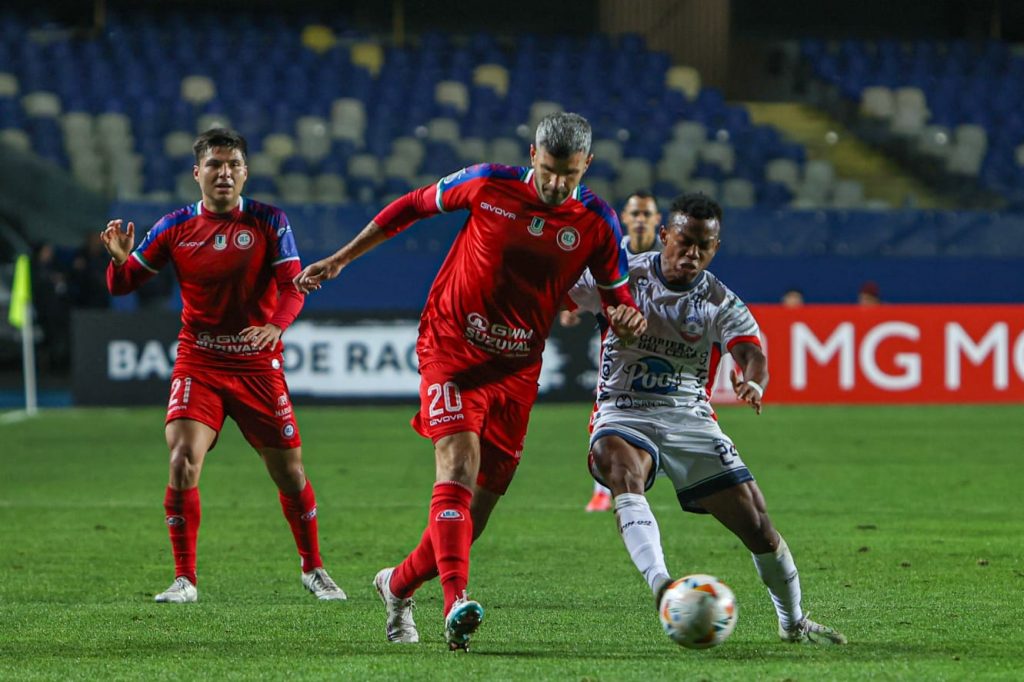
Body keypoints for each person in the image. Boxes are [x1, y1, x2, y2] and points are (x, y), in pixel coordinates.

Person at [295, 112, 647, 651]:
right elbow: (411, 206)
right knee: (458, 463)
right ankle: (457, 603)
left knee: (473, 514)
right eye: (550, 170)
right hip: (451, 346)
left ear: (587, 166)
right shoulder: (489, 184)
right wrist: (342, 258)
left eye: (569, 175)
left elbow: (617, 293)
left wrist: (624, 314)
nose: (557, 185)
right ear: (533, 155)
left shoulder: (598, 220)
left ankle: (397, 585)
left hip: (517, 368)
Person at [566, 193, 847, 645]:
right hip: (624, 409)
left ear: (715, 248)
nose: (692, 254)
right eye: (684, 241)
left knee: (757, 524)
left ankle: (793, 622)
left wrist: (752, 381)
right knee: (621, 469)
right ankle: (663, 587)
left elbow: (751, 351)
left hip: (688, 417)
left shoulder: (718, 299)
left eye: (705, 246)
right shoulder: (624, 276)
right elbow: (553, 289)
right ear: (664, 236)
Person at [100, 128, 346, 604]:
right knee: (181, 460)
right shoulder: (174, 227)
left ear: (245, 172)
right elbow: (123, 285)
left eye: (233, 164)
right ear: (198, 173)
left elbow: (293, 285)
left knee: (290, 475)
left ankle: (313, 568)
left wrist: (276, 327)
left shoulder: (269, 221)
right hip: (200, 361)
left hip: (257, 364)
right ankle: (185, 579)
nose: (224, 173)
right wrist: (118, 262)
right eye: (214, 165)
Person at [575, 190, 664, 513]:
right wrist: (574, 308)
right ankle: (603, 489)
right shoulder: (612, 254)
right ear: (625, 219)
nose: (640, 220)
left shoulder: (670, 260)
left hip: (662, 352)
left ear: (657, 220)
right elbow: (587, 287)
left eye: (647, 214)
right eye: (635, 214)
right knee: (606, 414)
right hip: (618, 352)